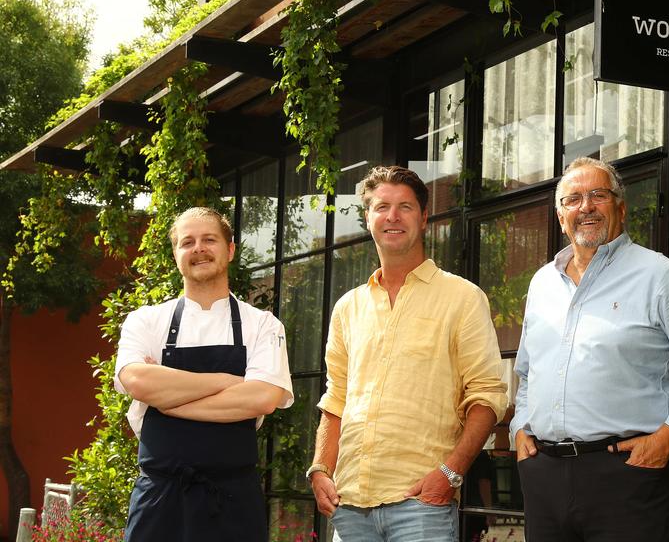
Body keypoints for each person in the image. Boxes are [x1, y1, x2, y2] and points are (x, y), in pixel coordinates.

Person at [509, 157, 669, 542]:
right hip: (543, 475)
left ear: (621, 208)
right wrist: (519, 429)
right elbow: (529, 373)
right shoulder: (542, 283)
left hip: (627, 474)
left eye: (598, 195)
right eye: (573, 199)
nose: (586, 207)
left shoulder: (661, 276)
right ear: (560, 215)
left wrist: (668, 438)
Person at [307, 166, 508, 542]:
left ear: (425, 218)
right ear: (368, 218)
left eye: (405, 207)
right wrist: (320, 468)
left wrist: (449, 474)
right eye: (382, 207)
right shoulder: (348, 308)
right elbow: (336, 400)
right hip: (350, 506)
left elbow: (488, 396)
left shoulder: (462, 298)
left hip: (421, 504)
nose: (393, 217)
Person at [115, 207, 294, 542]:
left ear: (230, 250)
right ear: (176, 254)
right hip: (159, 501)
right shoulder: (146, 320)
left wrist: (168, 400)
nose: (198, 248)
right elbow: (137, 381)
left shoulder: (263, 325)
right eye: (187, 242)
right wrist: (226, 382)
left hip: (233, 502)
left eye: (209, 239)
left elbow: (263, 397)